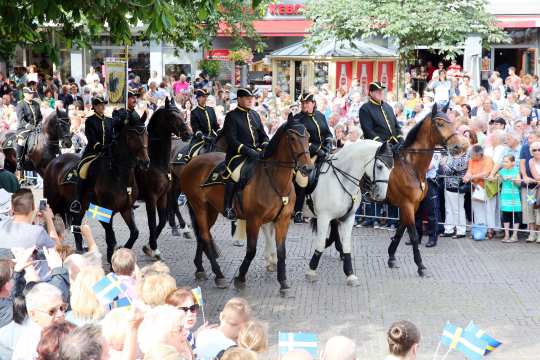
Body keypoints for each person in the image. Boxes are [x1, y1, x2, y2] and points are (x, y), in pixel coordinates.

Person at [221, 88, 269, 220]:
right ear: (239, 99)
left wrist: (264, 144)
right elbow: (231, 140)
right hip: (238, 155)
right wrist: (248, 151)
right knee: (234, 175)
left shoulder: (255, 114)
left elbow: (263, 135)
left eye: (251, 98)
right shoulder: (231, 116)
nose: (250, 100)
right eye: (247, 98)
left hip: (257, 153)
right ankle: (228, 207)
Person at [70, 96, 119, 213]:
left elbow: (113, 134)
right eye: (100, 105)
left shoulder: (109, 120)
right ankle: (78, 200)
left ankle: (126, 195)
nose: (102, 106)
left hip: (108, 152)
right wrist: (99, 146)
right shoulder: (90, 120)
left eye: (103, 104)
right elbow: (91, 137)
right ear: (95, 107)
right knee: (82, 170)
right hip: (93, 152)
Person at [292, 92, 333, 223]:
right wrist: (318, 150)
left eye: (307, 103)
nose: (304, 105)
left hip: (324, 151)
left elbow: (327, 133)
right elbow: (301, 141)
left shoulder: (320, 115)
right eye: (302, 103)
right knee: (302, 178)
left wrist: (328, 143)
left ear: (313, 103)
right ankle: (298, 211)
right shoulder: (297, 119)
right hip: (307, 154)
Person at [12, 283, 67, 360]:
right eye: (52, 311)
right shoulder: (28, 349)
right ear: (33, 314)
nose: (61, 314)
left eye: (62, 307)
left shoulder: (61, 327)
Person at [186, 88, 220, 160]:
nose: (206, 98)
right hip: (200, 138)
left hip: (212, 137)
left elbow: (215, 126)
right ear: (198, 98)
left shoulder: (211, 110)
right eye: (204, 96)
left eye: (206, 96)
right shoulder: (194, 112)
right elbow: (196, 129)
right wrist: (202, 137)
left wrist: (220, 131)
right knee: (192, 153)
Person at [15, 87, 43, 171]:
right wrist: (31, 127)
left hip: (36, 128)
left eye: (32, 93)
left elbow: (40, 117)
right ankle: (19, 161)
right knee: (21, 141)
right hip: (24, 128)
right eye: (30, 93)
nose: (32, 95)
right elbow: (21, 120)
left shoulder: (36, 103)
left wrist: (39, 124)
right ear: (25, 94)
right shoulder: (20, 104)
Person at [497, 155, 522, 243]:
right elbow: (498, 182)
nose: (504, 163)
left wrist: (513, 179)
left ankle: (515, 235)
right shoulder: (502, 171)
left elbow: (519, 184)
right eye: (503, 161)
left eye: (506, 161)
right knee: (506, 215)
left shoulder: (516, 170)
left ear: (513, 163)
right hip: (504, 196)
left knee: (515, 215)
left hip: (514, 197)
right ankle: (507, 234)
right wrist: (499, 177)